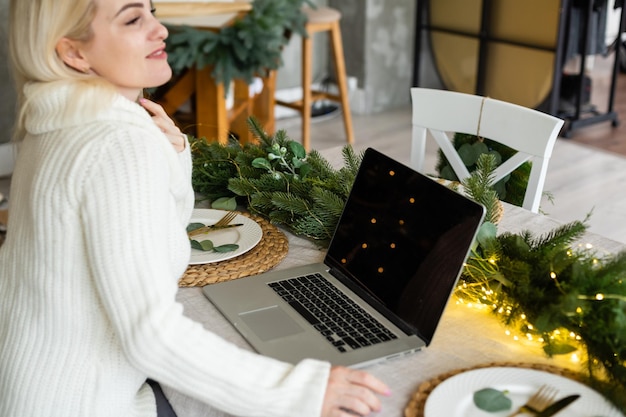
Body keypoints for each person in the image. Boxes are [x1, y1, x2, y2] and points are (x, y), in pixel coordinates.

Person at [0, 0, 391, 416]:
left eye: (152, 10)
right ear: (74, 52)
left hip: (31, 387)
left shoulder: (57, 122)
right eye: (133, 18)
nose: (160, 29)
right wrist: (298, 393)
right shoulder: (115, 143)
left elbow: (156, 242)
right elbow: (149, 332)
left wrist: (170, 156)